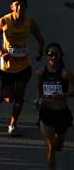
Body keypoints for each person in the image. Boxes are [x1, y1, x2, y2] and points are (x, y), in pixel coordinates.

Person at [0, 0, 45, 136]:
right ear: (12, 7)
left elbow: (41, 40)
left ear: (26, 7)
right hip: (7, 68)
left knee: (19, 96)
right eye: (17, 4)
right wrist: (1, 53)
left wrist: (40, 53)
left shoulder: (30, 22)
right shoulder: (4, 21)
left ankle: (12, 125)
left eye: (22, 5)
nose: (19, 7)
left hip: (24, 67)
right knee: (9, 97)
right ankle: (1, 94)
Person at [35, 42, 74, 170]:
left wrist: (63, 95)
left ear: (60, 56)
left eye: (56, 54)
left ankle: (59, 141)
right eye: (50, 54)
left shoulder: (66, 74)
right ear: (47, 56)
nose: (53, 57)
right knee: (51, 147)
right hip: (47, 113)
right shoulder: (40, 73)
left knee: (59, 146)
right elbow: (39, 91)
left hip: (62, 114)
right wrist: (38, 101)